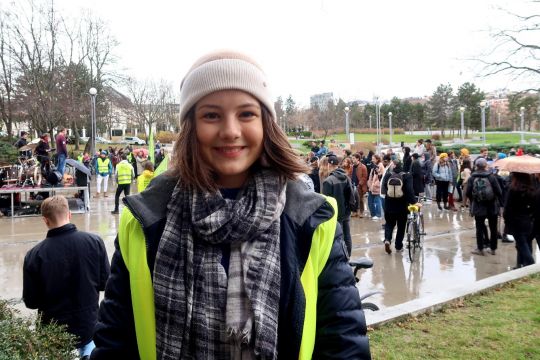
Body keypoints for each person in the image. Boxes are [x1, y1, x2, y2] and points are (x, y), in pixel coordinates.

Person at [92, 50, 371, 359]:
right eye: (211, 115)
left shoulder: (310, 218)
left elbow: (343, 345)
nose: (230, 131)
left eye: (246, 114)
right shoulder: (146, 219)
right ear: (191, 127)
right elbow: (115, 343)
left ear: (266, 123)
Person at [22, 195, 110, 359]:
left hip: (53, 332)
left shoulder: (34, 255)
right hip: (88, 326)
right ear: (69, 214)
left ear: (45, 220)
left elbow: (31, 302)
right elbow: (105, 283)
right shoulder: (95, 242)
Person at [466, 158, 503, 255]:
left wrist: (472, 200)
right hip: (492, 206)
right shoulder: (491, 177)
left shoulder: (472, 178)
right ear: (486, 165)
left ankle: (480, 248)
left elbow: (468, 192)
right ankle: (493, 249)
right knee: (493, 228)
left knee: (479, 228)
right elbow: (499, 192)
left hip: (478, 206)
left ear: (476, 166)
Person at [381, 159, 417, 254]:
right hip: (402, 206)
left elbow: (384, 187)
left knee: (389, 223)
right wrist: (414, 202)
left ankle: (387, 239)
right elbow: (409, 191)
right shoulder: (407, 176)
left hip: (389, 204)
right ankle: (398, 246)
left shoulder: (388, 175)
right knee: (401, 226)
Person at [322, 154, 354, 257]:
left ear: (329, 165)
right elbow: (352, 195)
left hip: (335, 214)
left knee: (337, 237)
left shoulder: (328, 181)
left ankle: (341, 258)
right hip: (346, 211)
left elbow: (325, 202)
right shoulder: (346, 177)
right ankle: (348, 255)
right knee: (347, 235)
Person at [504, 172, 537, 267]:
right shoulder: (531, 189)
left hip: (516, 222)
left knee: (522, 244)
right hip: (528, 221)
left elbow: (507, 208)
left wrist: (507, 222)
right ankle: (519, 265)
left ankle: (531, 265)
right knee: (525, 243)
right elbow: (534, 207)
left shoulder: (513, 189)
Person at [367, 154, 384, 220]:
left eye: (373, 158)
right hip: (372, 186)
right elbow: (371, 176)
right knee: (370, 201)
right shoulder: (374, 166)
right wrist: (369, 183)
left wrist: (375, 185)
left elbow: (380, 177)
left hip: (376, 187)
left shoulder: (380, 166)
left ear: (377, 159)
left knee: (377, 201)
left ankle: (378, 215)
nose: (372, 159)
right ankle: (373, 214)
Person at [352, 153, 368, 218]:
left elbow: (364, 177)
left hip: (359, 186)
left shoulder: (363, 167)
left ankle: (361, 212)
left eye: (353, 158)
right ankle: (355, 211)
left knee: (360, 200)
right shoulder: (352, 166)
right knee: (353, 199)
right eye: (352, 158)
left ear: (358, 159)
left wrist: (359, 184)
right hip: (352, 185)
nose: (352, 160)